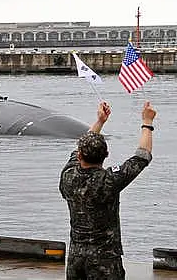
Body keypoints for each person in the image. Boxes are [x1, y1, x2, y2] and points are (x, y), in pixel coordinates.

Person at [60, 101, 156, 280]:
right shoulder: (109, 180)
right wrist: (147, 122)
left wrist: (100, 121)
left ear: (80, 155)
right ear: (106, 155)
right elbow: (142, 156)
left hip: (76, 258)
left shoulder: (68, 176)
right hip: (105, 259)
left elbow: (79, 148)